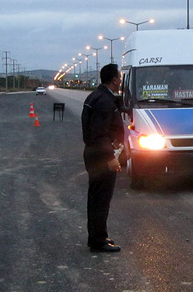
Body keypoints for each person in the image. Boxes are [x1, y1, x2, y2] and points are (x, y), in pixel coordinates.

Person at [81, 63, 123, 252]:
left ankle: (98, 237)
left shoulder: (96, 96)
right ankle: (98, 241)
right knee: (100, 200)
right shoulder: (104, 102)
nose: (121, 80)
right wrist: (110, 157)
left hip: (94, 154)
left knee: (97, 198)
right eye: (120, 77)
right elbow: (99, 133)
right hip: (101, 157)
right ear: (114, 80)